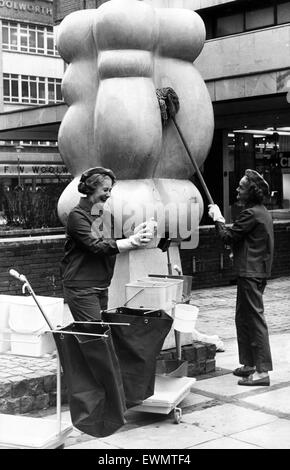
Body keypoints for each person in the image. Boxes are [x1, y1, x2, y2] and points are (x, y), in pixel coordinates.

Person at [61, 166, 153, 322]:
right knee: (97, 336)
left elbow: (117, 240)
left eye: (110, 190)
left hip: (101, 284)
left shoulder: (105, 215)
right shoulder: (76, 216)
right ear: (91, 189)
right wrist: (131, 241)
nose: (109, 194)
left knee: (98, 334)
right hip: (82, 287)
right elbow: (96, 246)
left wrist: (137, 232)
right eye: (105, 190)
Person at [208, 169, 274, 386]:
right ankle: (249, 364)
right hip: (253, 271)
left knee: (254, 320)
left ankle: (262, 372)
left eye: (241, 186)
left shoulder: (251, 214)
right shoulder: (260, 212)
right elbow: (240, 239)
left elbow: (228, 236)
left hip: (250, 272)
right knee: (243, 318)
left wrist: (218, 218)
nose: (237, 189)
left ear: (251, 191)